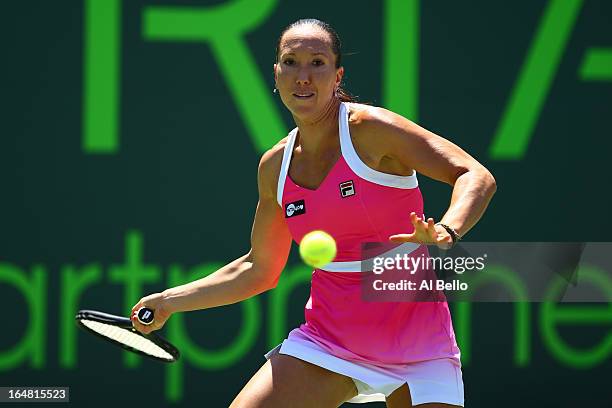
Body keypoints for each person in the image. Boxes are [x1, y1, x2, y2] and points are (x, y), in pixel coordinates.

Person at [131, 19, 496, 407]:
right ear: (276, 73)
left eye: (317, 63)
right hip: (329, 343)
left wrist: (446, 229)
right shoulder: (274, 166)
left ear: (337, 75)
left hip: (419, 348)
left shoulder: (372, 130)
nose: (302, 76)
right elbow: (258, 268)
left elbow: (474, 174)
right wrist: (170, 300)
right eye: (291, 62)